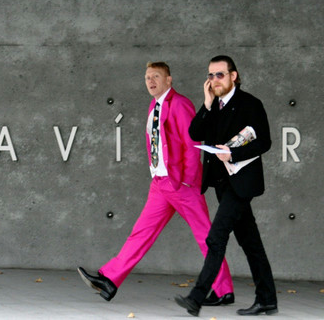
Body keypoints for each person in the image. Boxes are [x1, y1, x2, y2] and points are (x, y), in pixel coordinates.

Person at [77, 62, 233, 303]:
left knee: (206, 236)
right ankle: (109, 280)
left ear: (168, 80)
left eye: (156, 77)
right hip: (161, 183)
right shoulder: (154, 105)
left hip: (182, 185)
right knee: (141, 233)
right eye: (147, 77)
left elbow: (192, 143)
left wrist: (188, 181)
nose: (151, 81)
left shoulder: (179, 104)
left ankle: (224, 291)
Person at [175, 55, 277, 316]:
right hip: (222, 183)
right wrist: (207, 105)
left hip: (241, 182)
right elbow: (195, 133)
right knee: (250, 242)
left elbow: (264, 142)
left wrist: (233, 154)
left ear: (234, 75)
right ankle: (267, 299)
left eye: (220, 74)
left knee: (216, 237)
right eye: (210, 75)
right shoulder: (214, 106)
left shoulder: (250, 104)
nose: (214, 80)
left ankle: (196, 297)